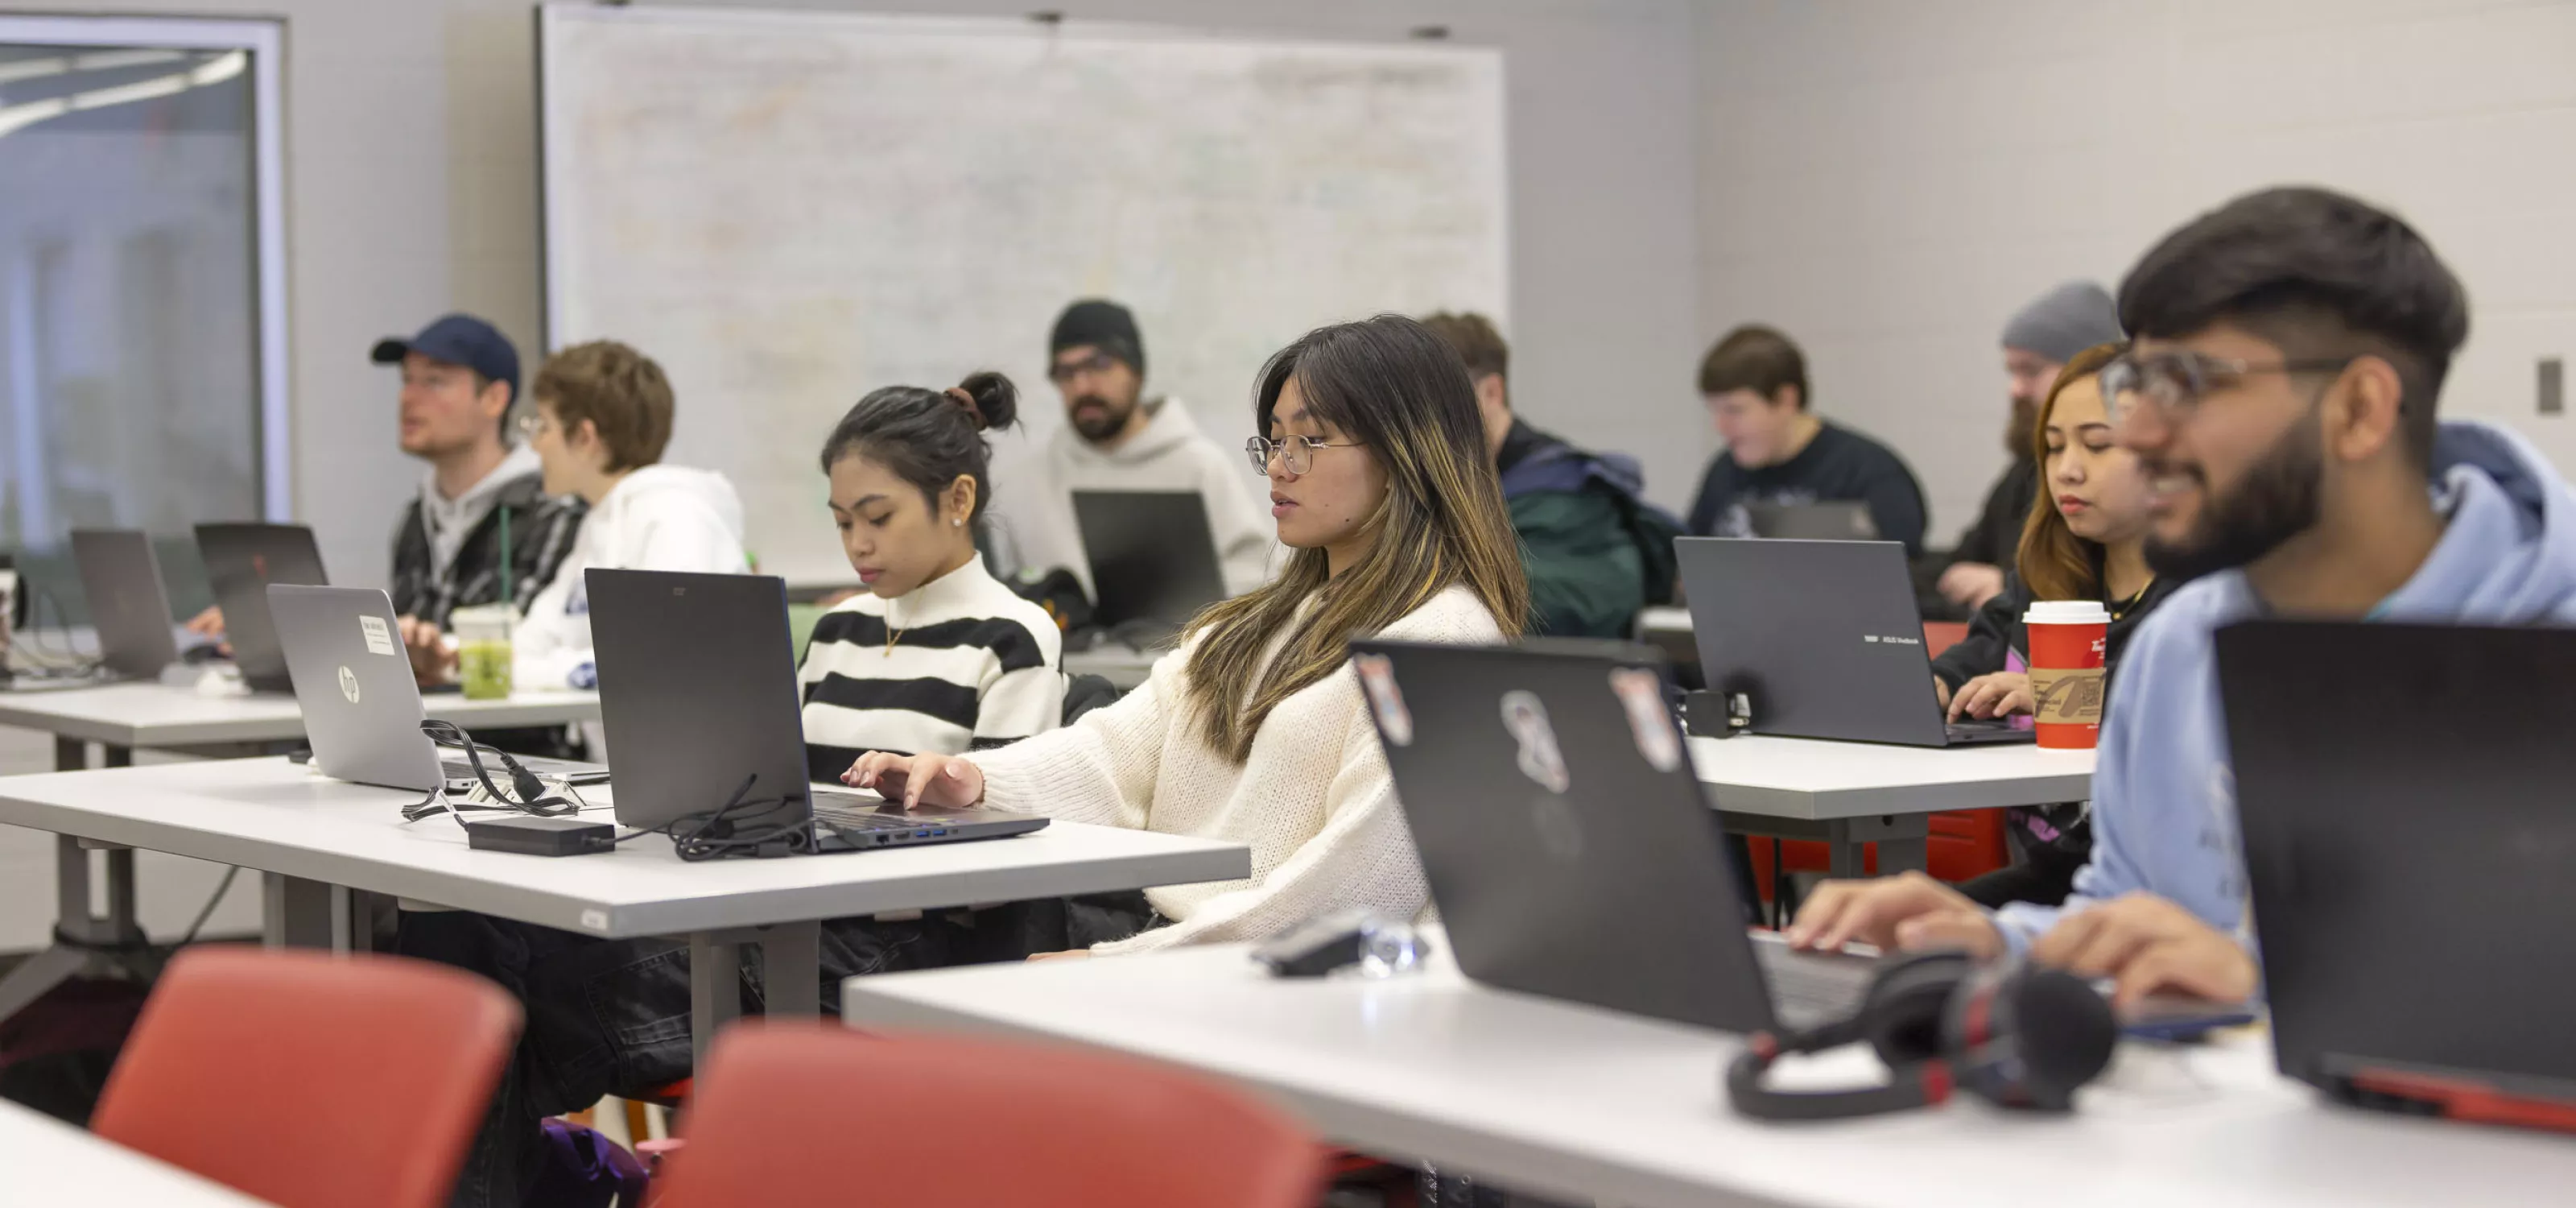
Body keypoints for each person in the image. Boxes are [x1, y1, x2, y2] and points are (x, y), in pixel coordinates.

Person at [1789, 185, 2576, 1006]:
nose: (2136, 433)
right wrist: (1987, 940)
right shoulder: (2181, 647)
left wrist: (2262, 982)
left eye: (2186, 384)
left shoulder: (2546, 637)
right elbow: (2127, 918)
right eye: (2137, 384)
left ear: (2357, 409)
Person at [402, 370, 1067, 1208]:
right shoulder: (839, 629)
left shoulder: (1014, 637)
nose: (856, 545)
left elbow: (1018, 850)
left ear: (958, 498)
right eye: (840, 523)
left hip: (893, 945)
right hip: (780, 910)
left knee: (512, 1000)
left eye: (878, 518)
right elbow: (770, 781)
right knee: (478, 958)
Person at [848, 313, 1530, 956]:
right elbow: (1112, 756)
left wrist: (1128, 962)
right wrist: (973, 780)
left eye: (1311, 440)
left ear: (1406, 452)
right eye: (1275, 439)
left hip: (1279, 984)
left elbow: (1353, 890)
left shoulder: (1445, 640)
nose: (1281, 466)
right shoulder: (1247, 628)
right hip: (1172, 947)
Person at [184, 315, 585, 686]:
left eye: (434, 381)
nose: (408, 398)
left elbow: (525, 646)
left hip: (511, 748)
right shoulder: (418, 516)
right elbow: (402, 649)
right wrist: (285, 634)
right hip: (426, 736)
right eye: (406, 380)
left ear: (494, 400)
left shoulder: (552, 511)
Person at [1925, 341, 2177, 908]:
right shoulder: (2045, 571)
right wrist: (1938, 685)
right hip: (2055, 874)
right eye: (2053, 446)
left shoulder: (2198, 596)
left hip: (2155, 892)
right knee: (1911, 941)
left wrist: (2062, 694)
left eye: (2097, 445)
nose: (2068, 469)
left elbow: (2183, 704)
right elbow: (1983, 649)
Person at [985, 299, 1275, 600]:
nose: (1082, 387)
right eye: (1066, 373)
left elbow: (1257, 581)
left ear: (1136, 370)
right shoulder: (1025, 485)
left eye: (1098, 365)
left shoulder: (1199, 468)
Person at [504, 340, 749, 695]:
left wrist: (547, 670)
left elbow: (654, 665)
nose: (534, 445)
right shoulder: (602, 520)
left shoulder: (677, 517)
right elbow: (527, 648)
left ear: (585, 437)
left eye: (543, 427)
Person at [1420, 311, 1678, 637]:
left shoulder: (1567, 493)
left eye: (1438, 402)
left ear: (1491, 393)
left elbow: (1562, 605)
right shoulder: (1434, 487)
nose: (1424, 424)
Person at [1937, 283, 2127, 612]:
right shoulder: (2022, 471)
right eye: (2054, 447)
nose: (2015, 389)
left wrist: (2008, 584)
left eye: (2096, 444)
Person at [1686, 325, 1930, 556]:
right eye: (1714, 411)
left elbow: (1899, 577)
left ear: (1786, 399)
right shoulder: (1724, 471)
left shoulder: (1869, 472)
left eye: (1734, 410)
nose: (1720, 426)